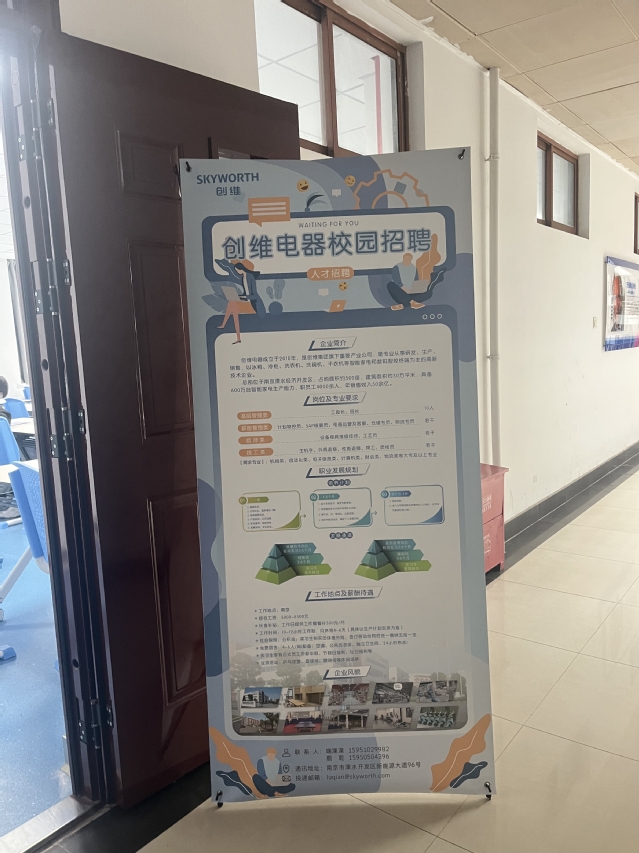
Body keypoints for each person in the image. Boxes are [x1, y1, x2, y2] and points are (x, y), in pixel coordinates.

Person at [386, 235, 443, 310]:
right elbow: (397, 281)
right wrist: (404, 289)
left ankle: (403, 305)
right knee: (390, 285)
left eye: (409, 259)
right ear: (403, 258)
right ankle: (412, 302)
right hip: (400, 293)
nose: (408, 261)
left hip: (411, 292)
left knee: (429, 293)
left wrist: (415, 288)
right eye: (406, 259)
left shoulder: (413, 268)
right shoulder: (397, 267)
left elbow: (416, 281)